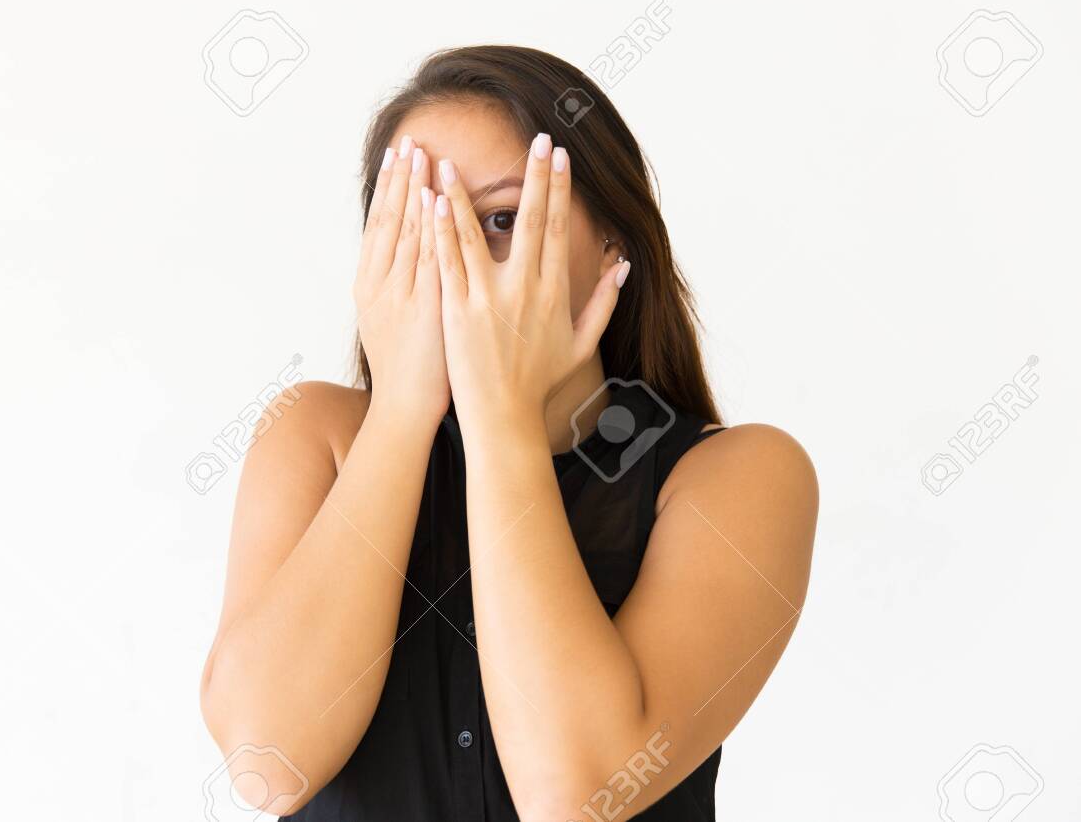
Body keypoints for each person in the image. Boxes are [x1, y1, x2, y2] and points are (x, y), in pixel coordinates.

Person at [200, 45, 818, 821]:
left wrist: (502, 421)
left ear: (610, 246)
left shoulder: (739, 477)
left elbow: (577, 794)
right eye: (419, 232)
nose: (457, 266)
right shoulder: (316, 435)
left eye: (498, 220)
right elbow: (269, 766)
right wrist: (399, 410)